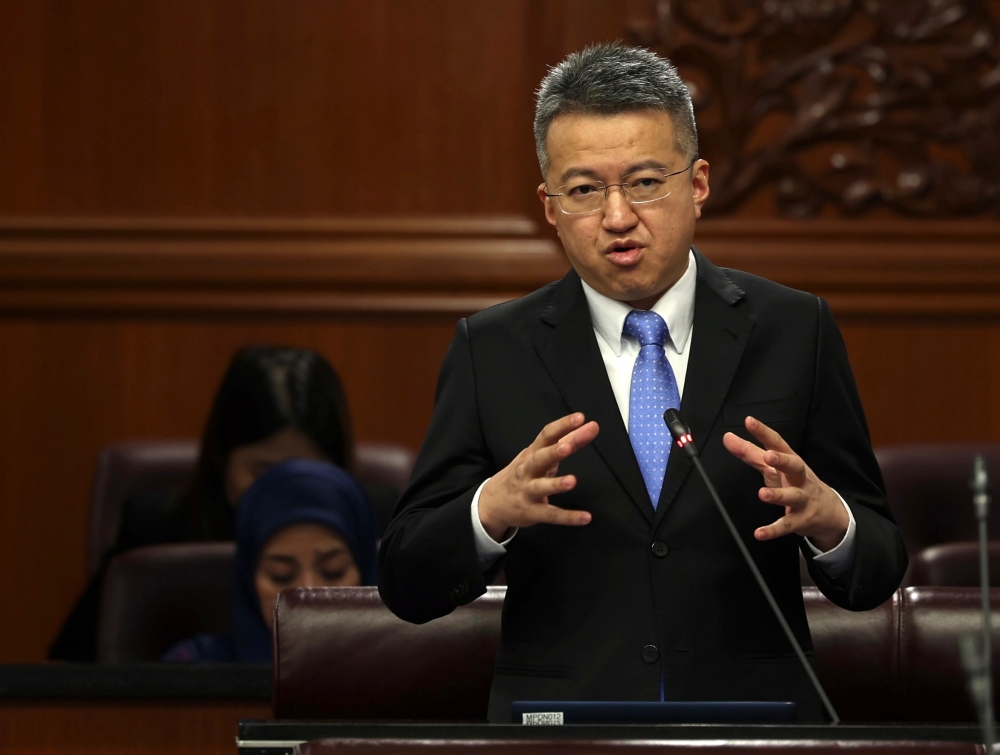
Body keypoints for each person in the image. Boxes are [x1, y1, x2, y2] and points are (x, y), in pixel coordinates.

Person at [378, 43, 908, 722]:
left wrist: (833, 523)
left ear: (699, 183)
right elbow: (405, 580)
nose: (618, 215)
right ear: (549, 206)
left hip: (755, 726)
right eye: (584, 190)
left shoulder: (793, 328)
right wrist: (489, 510)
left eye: (647, 181)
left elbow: (881, 564)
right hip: (561, 728)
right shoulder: (494, 349)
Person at [50, 345, 378, 661]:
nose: (282, 491)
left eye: (308, 472)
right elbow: (79, 671)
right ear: (222, 462)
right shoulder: (155, 526)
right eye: (263, 473)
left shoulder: (387, 529)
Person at [164, 458, 378, 662]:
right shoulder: (192, 667)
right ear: (249, 580)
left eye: (333, 571)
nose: (308, 595)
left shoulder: (405, 672)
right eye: (281, 576)